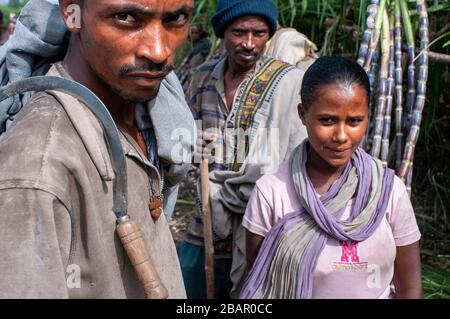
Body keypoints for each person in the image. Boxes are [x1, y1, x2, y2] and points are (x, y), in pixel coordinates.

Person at [0, 0, 196, 298]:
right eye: (126, 17)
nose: (158, 51)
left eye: (176, 18)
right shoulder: (37, 169)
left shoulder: (150, 120)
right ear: (72, 14)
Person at [240, 56, 423, 299]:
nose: (341, 135)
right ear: (303, 114)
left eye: (354, 121)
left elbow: (410, 288)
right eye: (327, 120)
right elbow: (264, 284)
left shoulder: (389, 191)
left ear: (368, 117)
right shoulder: (272, 192)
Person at [179, 0, 308, 299]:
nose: (249, 43)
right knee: (188, 285)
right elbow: (181, 137)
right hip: (208, 216)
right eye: (239, 32)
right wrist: (189, 143)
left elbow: (296, 151)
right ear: (223, 33)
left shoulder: (285, 83)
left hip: (260, 220)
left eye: (259, 33)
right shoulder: (202, 77)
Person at [177, 23, 212, 93]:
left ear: (200, 33)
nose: (193, 35)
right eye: (192, 33)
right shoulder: (193, 46)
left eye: (196, 33)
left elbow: (195, 64)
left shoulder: (203, 46)